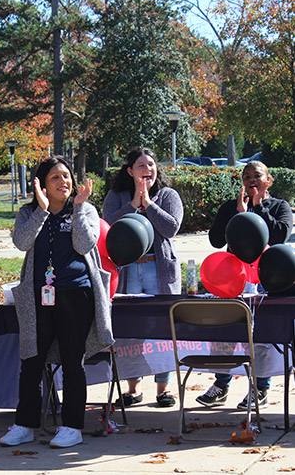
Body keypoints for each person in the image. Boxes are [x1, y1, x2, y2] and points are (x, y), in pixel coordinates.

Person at [0, 156, 114, 449]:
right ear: (41, 184)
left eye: (66, 176)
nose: (63, 182)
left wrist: (76, 209)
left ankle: (72, 426)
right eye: (55, 178)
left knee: (72, 362)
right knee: (31, 361)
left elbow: (84, 245)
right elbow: (22, 242)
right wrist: (41, 210)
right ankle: (25, 424)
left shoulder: (84, 209)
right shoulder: (28, 213)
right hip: (38, 298)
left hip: (77, 294)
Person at [196, 161, 293, 410]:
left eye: (257, 176)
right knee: (225, 335)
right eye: (247, 176)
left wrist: (258, 209)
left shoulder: (279, 206)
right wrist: (238, 215)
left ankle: (260, 388)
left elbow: (280, 235)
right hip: (232, 280)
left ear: (268, 180)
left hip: (266, 281)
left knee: (261, 338)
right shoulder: (231, 207)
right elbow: (215, 239)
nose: (252, 180)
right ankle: (221, 385)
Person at [103, 147, 183, 408]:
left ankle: (163, 390)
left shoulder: (168, 195)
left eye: (151, 164)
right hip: (127, 270)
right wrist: (133, 204)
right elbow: (108, 226)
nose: (147, 168)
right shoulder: (116, 196)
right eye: (141, 165)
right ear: (130, 170)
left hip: (156, 269)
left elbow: (171, 228)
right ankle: (133, 388)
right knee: (129, 330)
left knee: (162, 329)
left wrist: (148, 204)